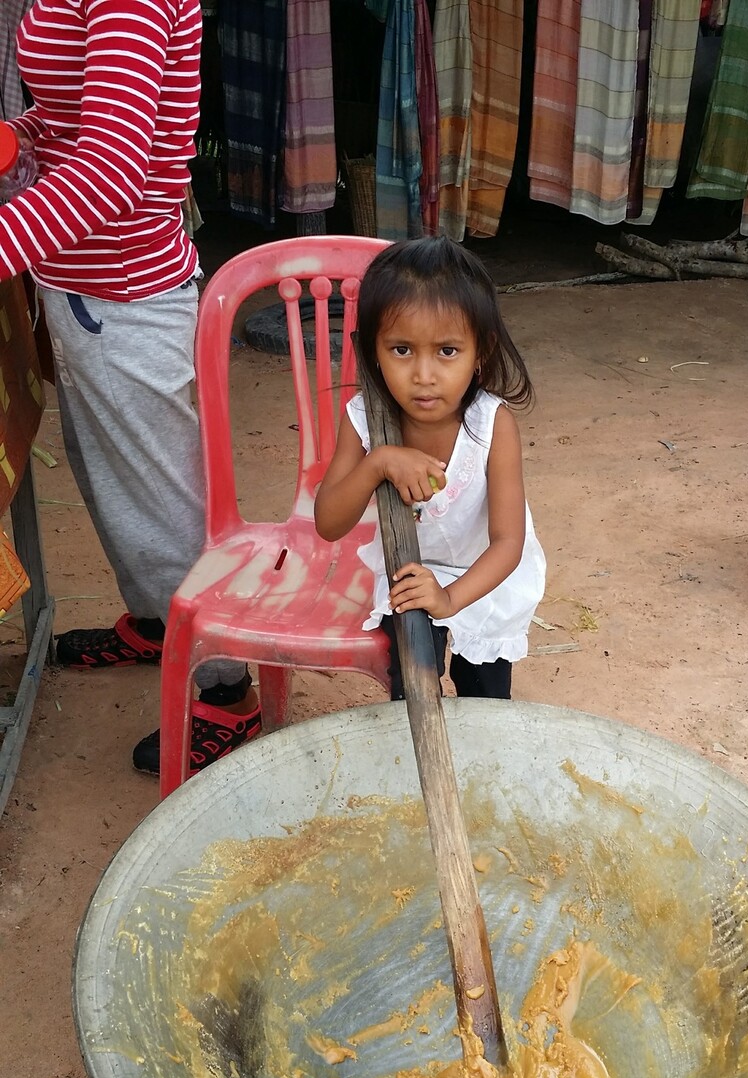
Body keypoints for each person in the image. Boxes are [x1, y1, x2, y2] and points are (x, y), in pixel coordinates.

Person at [0, 0, 260, 776]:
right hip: (86, 291)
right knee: (112, 484)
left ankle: (224, 692)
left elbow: (111, 169)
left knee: (162, 508)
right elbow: (74, 117)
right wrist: (21, 139)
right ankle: (158, 622)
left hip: (126, 300)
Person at [315, 236, 545, 700]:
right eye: (401, 350)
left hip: (484, 577)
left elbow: (508, 544)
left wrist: (450, 598)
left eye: (446, 351)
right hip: (407, 571)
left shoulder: (492, 425)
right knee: (412, 685)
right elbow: (328, 522)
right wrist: (377, 462)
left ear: (481, 351)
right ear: (372, 350)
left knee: (485, 696)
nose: (423, 375)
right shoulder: (365, 419)